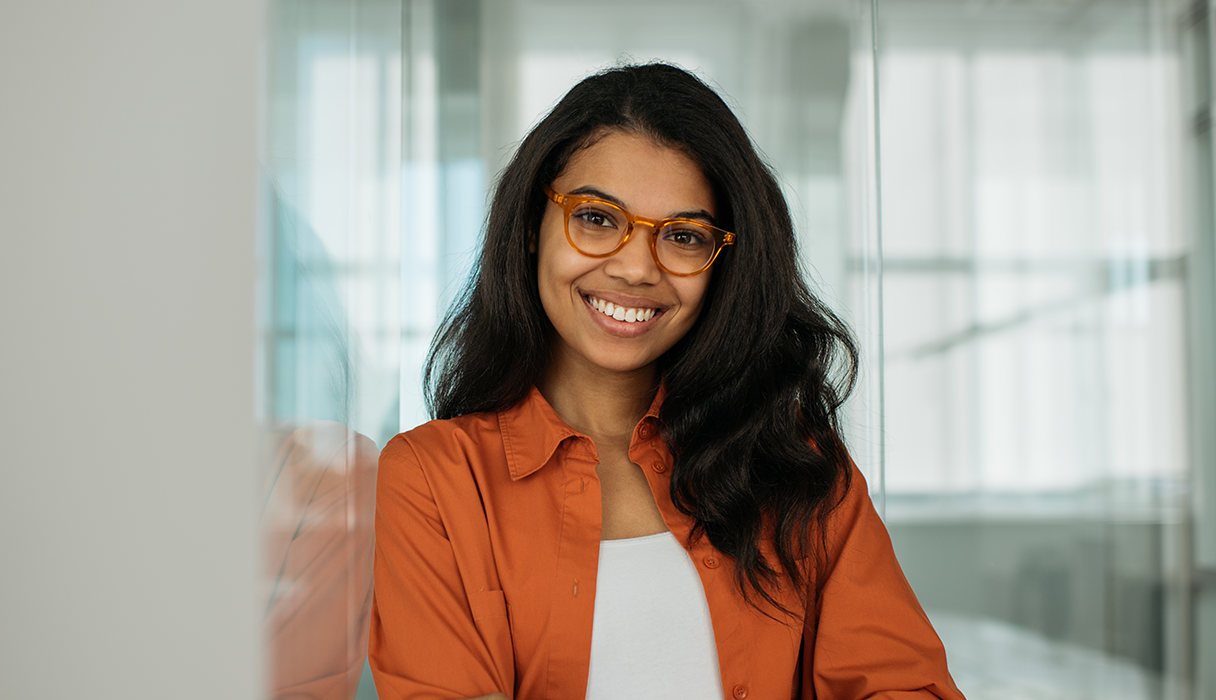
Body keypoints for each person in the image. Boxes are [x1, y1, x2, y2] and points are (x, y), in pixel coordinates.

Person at [368, 63, 964, 700]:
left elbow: (903, 687)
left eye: (683, 236)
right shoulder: (432, 480)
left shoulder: (797, 464)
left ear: (724, 266)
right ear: (531, 228)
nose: (634, 268)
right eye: (596, 218)